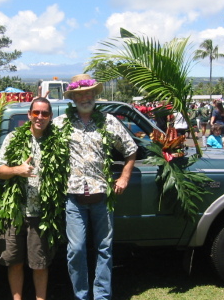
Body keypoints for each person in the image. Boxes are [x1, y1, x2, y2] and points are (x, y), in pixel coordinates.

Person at [52, 74, 138, 300]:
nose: (84, 97)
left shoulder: (109, 121)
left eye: (88, 93)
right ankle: (81, 295)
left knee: (104, 249)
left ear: (94, 95)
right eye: (79, 94)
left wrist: (124, 177)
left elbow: (130, 149)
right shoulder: (61, 123)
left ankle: (101, 296)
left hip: (102, 197)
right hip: (74, 199)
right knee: (76, 250)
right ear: (73, 98)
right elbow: (39, 139)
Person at [0, 98, 61, 300]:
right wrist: (17, 170)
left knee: (39, 264)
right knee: (14, 262)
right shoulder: (13, 138)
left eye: (45, 113)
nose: (40, 117)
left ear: (50, 117)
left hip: (41, 214)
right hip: (15, 212)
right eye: (36, 113)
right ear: (29, 115)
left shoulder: (56, 142)